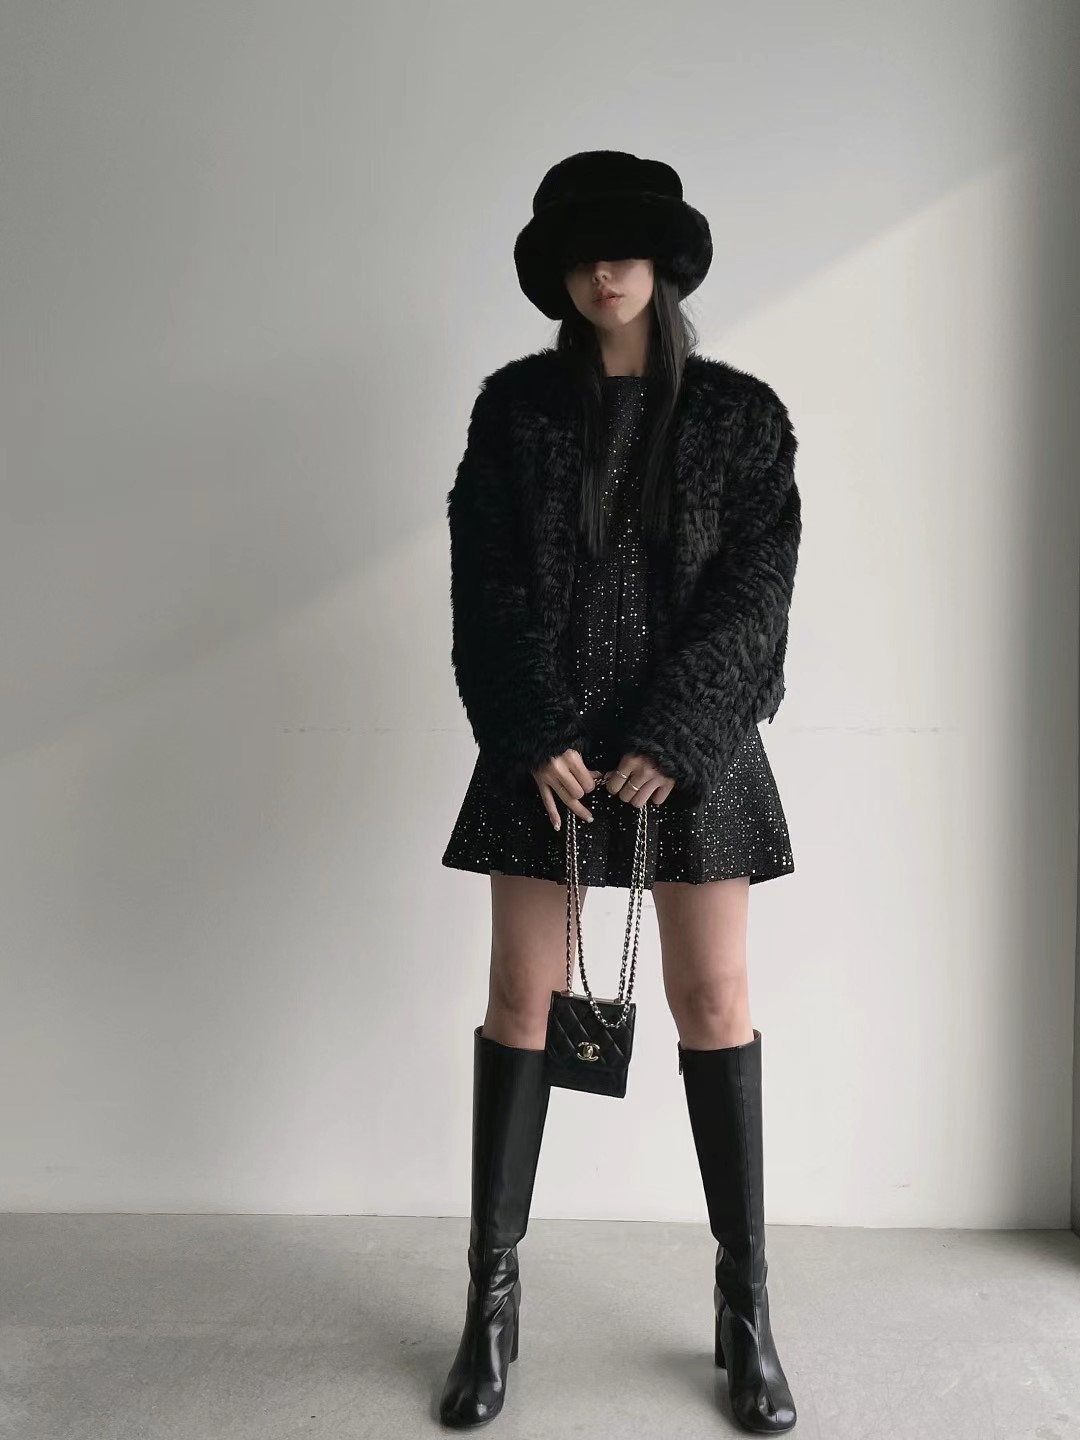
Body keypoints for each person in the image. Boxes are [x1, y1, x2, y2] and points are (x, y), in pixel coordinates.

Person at [438, 149, 802, 1434]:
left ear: (663, 265)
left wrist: (681, 730)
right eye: (585, 252)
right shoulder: (516, 410)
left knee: (716, 1002)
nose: (607, 270)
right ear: (559, 271)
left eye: (627, 249)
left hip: (691, 751)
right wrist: (531, 728)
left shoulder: (740, 418)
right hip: (550, 757)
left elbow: (757, 593)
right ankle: (490, 1304)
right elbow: (486, 580)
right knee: (516, 998)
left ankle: (746, 1307)